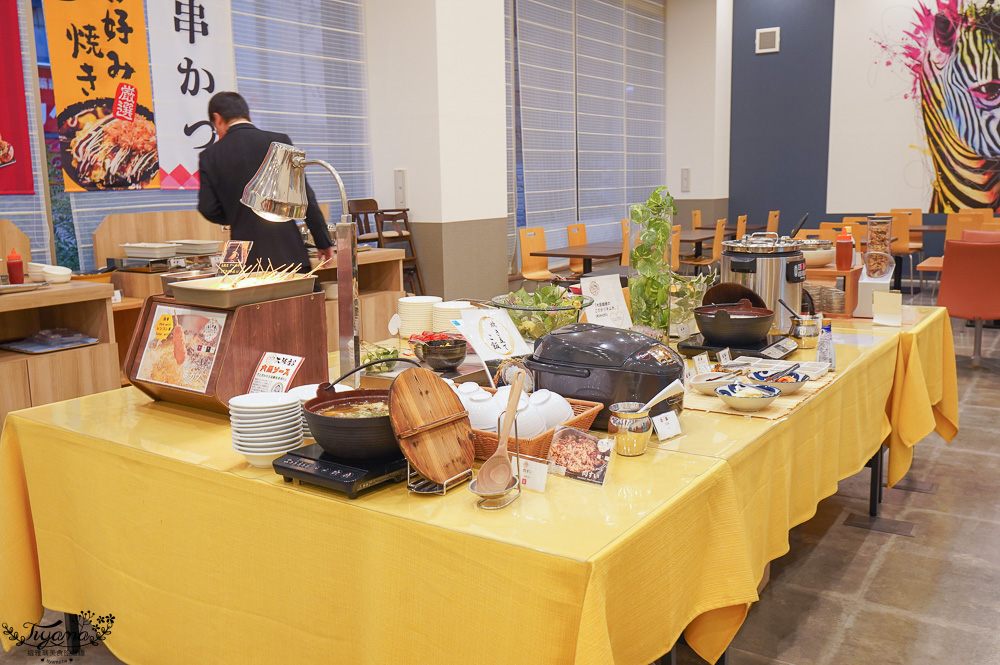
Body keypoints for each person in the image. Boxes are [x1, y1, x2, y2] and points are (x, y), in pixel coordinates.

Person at [197, 91, 335, 270]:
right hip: (288, 249)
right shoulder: (279, 141)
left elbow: (207, 208)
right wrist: (322, 240)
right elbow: (305, 196)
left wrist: (236, 215)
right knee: (299, 297)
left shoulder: (210, 156)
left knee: (247, 297)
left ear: (217, 119)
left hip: (243, 254)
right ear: (248, 115)